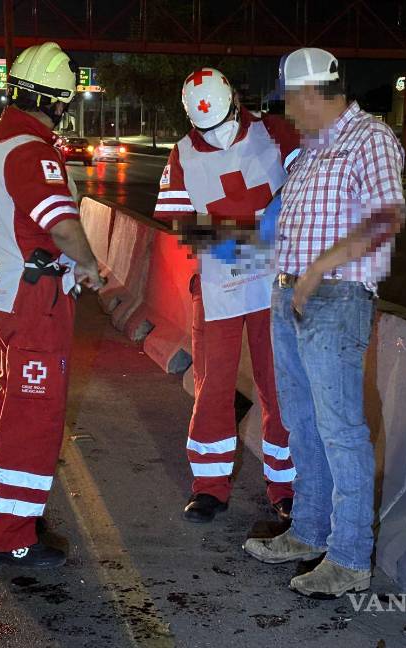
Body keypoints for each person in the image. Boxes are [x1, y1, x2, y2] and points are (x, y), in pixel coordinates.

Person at [243, 48, 406, 598]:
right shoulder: (312, 150)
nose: (289, 112)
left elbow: (387, 216)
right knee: (301, 422)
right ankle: (309, 532)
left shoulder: (370, 139)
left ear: (314, 94)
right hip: (291, 296)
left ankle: (350, 556)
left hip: (334, 299)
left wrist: (318, 269)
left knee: (340, 430)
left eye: (291, 101)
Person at [0, 42, 103, 568]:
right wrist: (90, 264)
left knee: (11, 404)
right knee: (36, 414)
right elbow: (62, 225)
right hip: (36, 301)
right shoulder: (32, 150)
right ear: (55, 100)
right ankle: (11, 535)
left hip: (4, 292)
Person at [153, 67, 300, 524]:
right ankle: (209, 488)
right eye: (207, 131)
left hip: (272, 287)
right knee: (212, 387)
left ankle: (286, 487)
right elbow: (178, 221)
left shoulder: (275, 133)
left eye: (225, 124)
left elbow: (308, 189)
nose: (218, 138)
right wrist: (246, 241)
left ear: (237, 101)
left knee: (278, 387)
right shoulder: (180, 156)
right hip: (220, 285)